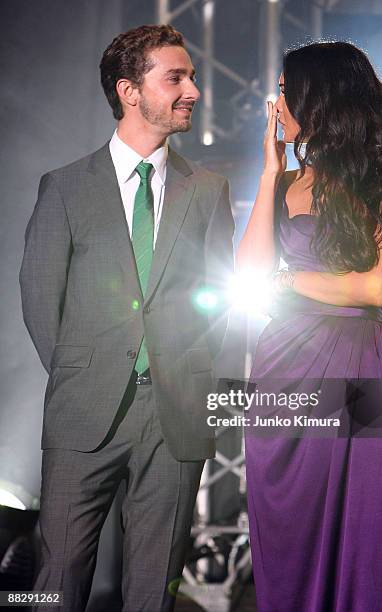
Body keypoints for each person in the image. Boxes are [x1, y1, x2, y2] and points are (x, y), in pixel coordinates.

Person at [19, 24, 234, 612]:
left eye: (191, 76)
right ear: (129, 90)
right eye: (176, 77)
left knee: (152, 592)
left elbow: (222, 298)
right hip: (84, 409)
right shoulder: (64, 188)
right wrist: (84, 369)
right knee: (52, 585)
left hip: (174, 416)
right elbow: (40, 297)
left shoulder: (208, 189)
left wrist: (190, 374)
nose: (193, 89)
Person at [237, 41, 382, 612]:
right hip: (279, 371)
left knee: (357, 518)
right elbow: (247, 273)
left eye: (287, 90)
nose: (277, 102)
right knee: (284, 525)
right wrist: (270, 172)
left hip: (357, 362)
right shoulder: (287, 182)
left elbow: (375, 288)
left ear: (320, 99)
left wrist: (290, 284)